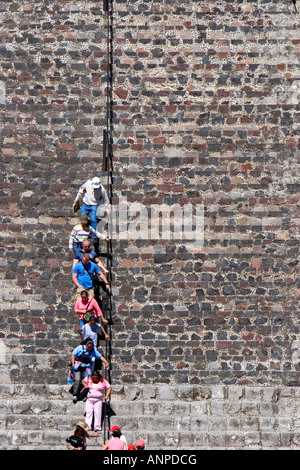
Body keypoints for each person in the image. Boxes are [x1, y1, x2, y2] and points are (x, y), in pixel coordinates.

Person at [70, 339, 109, 404]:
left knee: (87, 380)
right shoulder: (80, 348)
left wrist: (106, 362)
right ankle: (75, 394)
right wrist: (73, 363)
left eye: (91, 347)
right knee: (77, 379)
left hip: (85, 367)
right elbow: (73, 354)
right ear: (86, 345)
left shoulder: (93, 351)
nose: (90, 348)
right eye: (89, 347)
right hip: (78, 366)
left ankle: (84, 395)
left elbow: (100, 357)